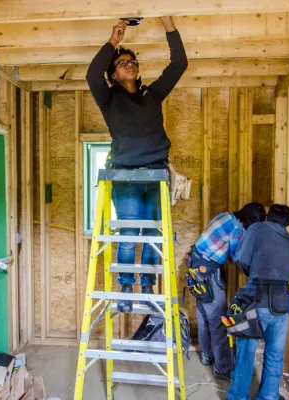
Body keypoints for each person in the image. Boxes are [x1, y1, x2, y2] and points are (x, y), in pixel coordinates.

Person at [86, 17, 188, 313]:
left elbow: (179, 64)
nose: (129, 65)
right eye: (122, 63)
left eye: (132, 62)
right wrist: (114, 41)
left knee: (154, 235)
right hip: (126, 177)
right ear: (115, 75)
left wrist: (168, 22)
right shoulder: (108, 99)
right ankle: (127, 286)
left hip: (157, 175)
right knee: (130, 234)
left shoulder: (151, 95)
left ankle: (146, 284)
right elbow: (92, 74)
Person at [188, 203, 266, 379]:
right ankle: (222, 368)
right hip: (207, 271)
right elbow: (235, 256)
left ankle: (207, 356)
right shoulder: (238, 229)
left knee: (203, 315)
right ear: (249, 220)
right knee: (218, 319)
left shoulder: (224, 216)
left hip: (197, 267)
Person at [228, 204, 289, 400]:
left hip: (256, 300)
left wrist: (253, 272)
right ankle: (268, 396)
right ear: (287, 223)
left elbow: (241, 256)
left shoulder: (257, 229)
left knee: (246, 354)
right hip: (282, 304)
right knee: (275, 355)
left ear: (268, 217)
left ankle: (239, 397)